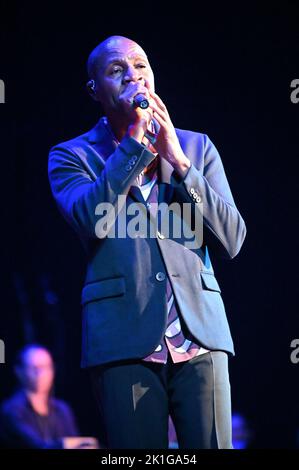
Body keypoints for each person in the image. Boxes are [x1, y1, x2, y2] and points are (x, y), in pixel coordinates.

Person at [48, 35, 246, 449]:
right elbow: (89, 219)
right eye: (117, 70)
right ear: (94, 90)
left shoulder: (196, 146)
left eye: (140, 67)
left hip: (200, 339)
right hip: (124, 341)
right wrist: (135, 146)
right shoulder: (72, 155)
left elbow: (233, 237)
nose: (133, 77)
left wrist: (181, 164)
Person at [0, 344, 98, 449]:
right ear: (19, 372)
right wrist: (66, 444)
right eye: (35, 368)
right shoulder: (11, 410)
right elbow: (35, 446)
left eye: (46, 367)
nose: (40, 373)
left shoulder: (62, 409)